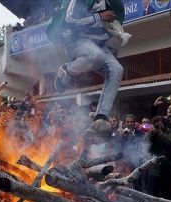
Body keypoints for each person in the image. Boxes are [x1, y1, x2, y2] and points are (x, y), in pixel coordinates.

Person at [51, 0, 125, 138]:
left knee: (116, 69)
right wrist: (99, 17)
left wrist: (115, 29)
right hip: (76, 41)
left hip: (98, 44)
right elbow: (69, 19)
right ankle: (68, 69)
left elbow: (113, 19)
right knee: (96, 56)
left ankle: (100, 118)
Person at [145, 116, 171, 202]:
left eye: (160, 123)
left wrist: (160, 133)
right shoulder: (151, 133)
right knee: (153, 184)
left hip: (167, 161)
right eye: (156, 124)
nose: (159, 125)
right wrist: (151, 132)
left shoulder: (169, 131)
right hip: (153, 161)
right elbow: (145, 143)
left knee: (167, 187)